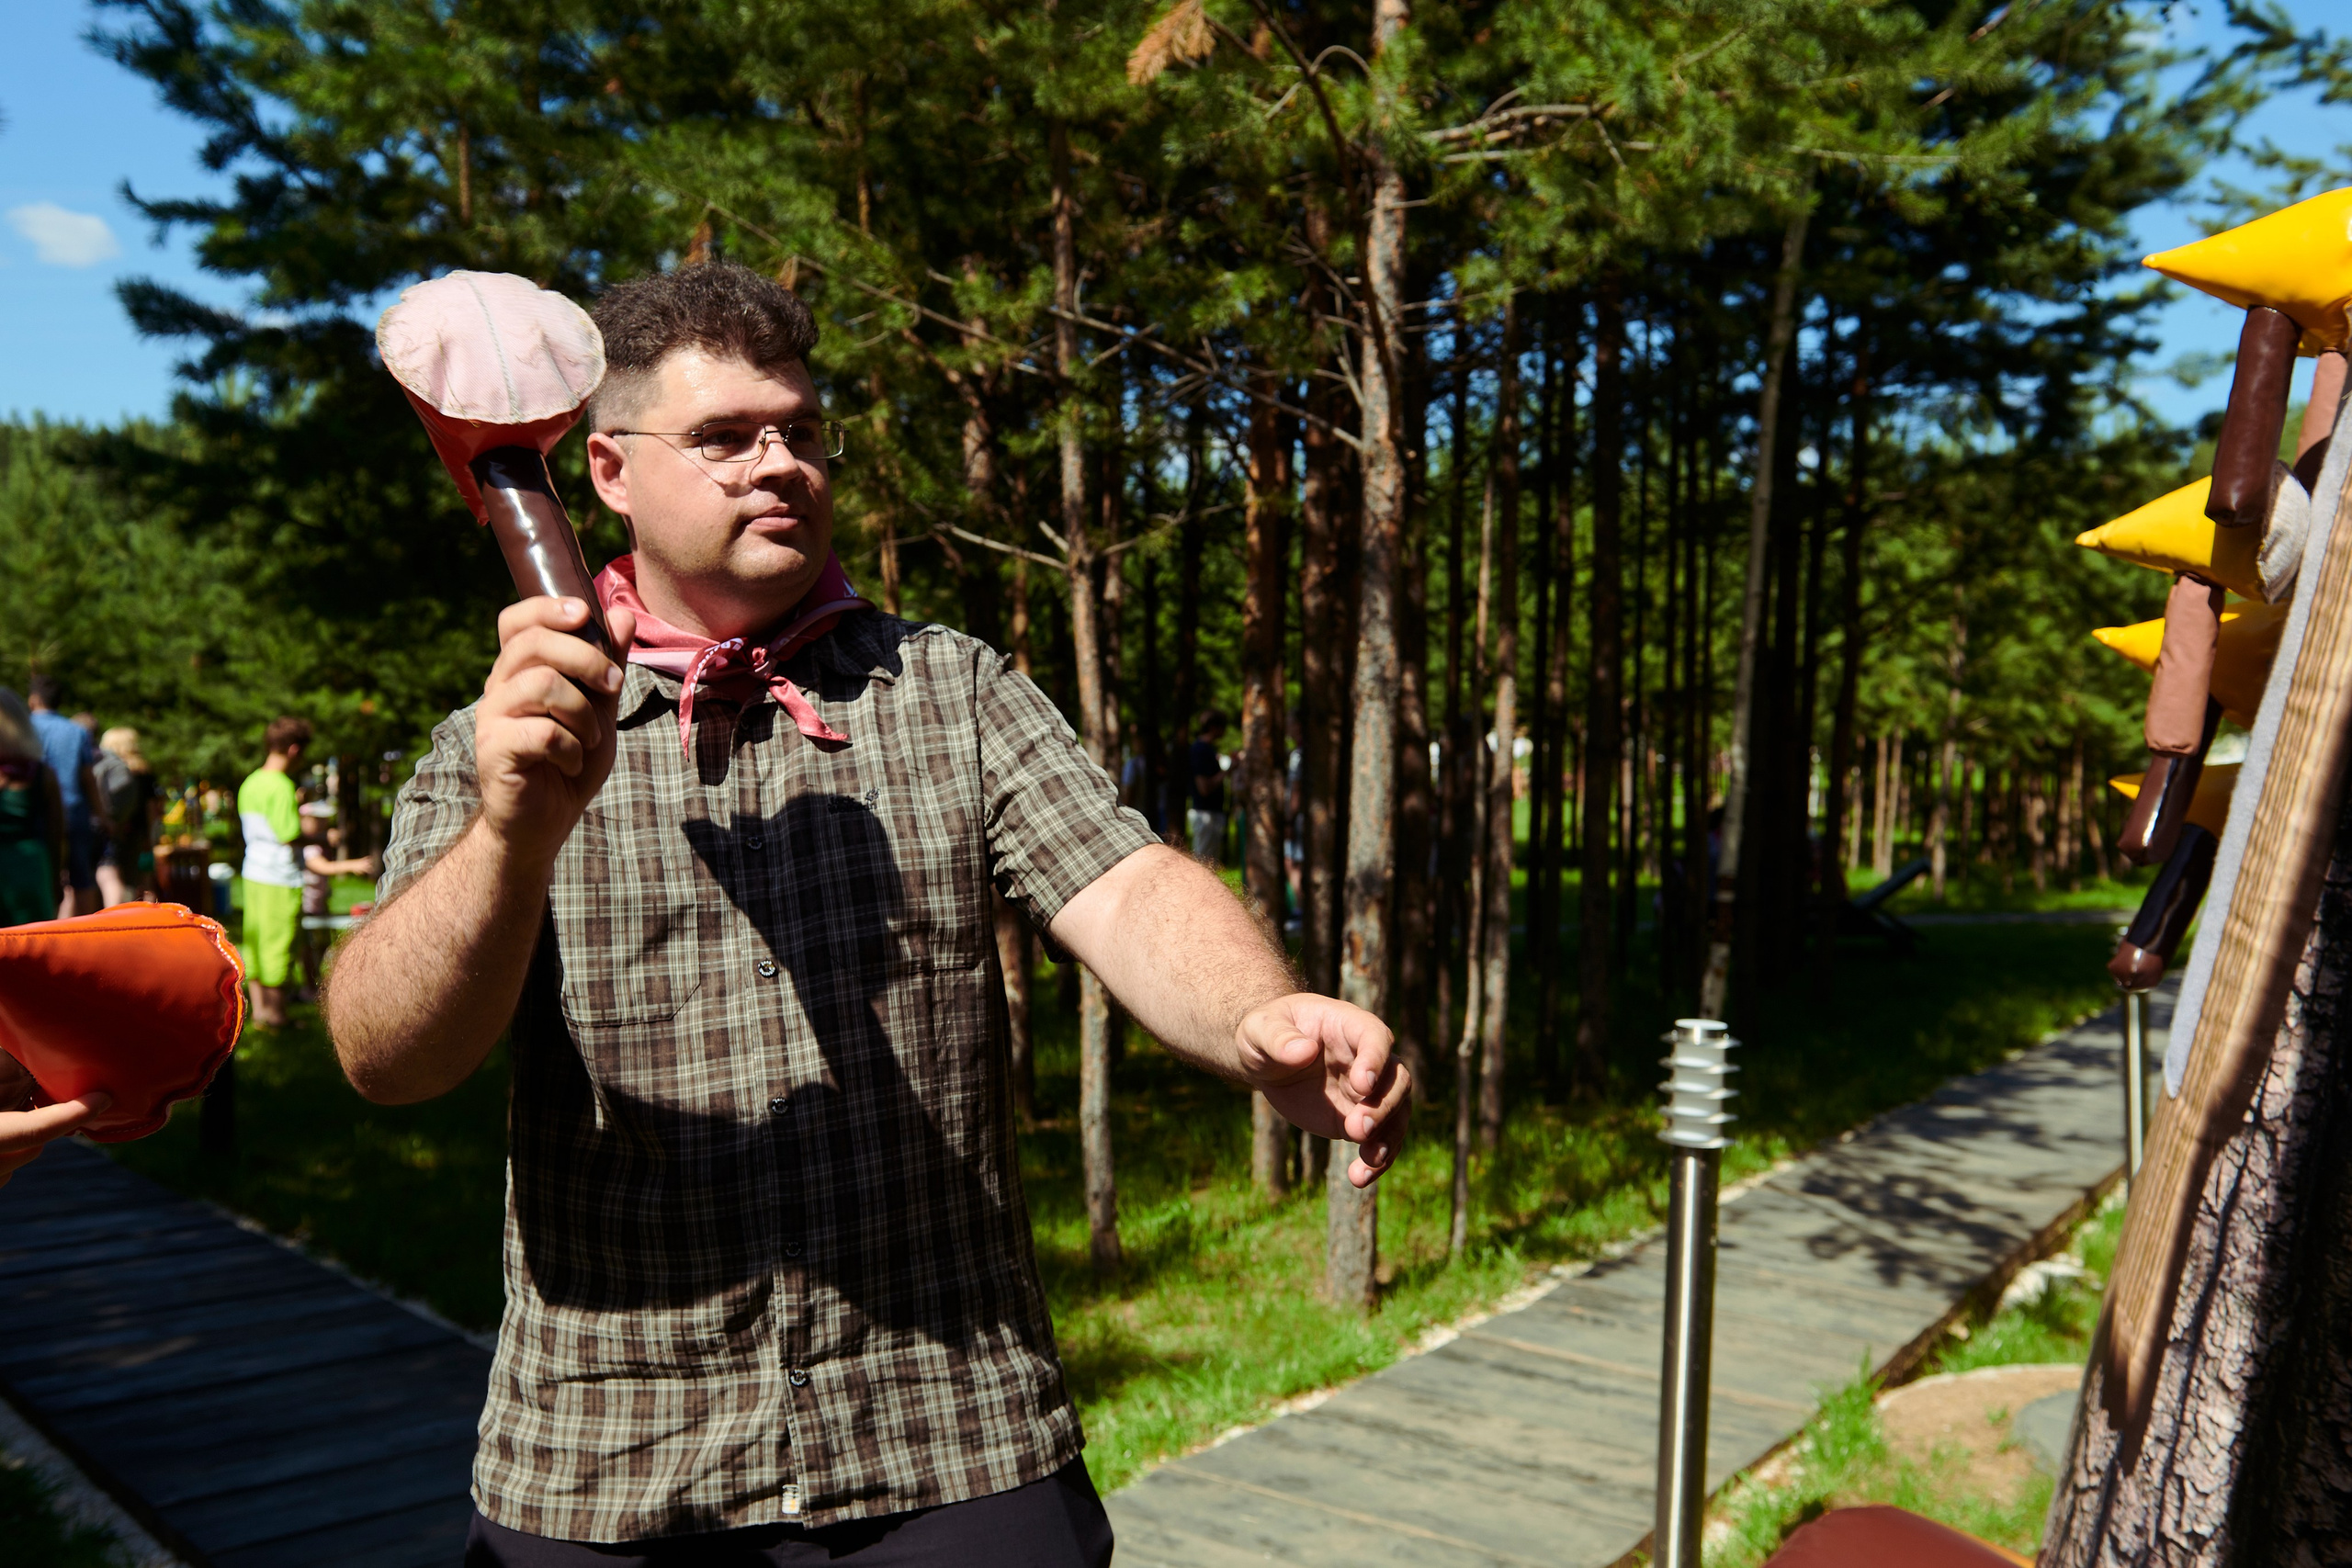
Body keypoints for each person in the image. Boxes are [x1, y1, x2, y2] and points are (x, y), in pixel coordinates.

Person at [322, 263, 1408, 1566]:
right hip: (615, 1465)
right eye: (724, 437)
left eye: (801, 431)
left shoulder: (949, 692)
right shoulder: (500, 742)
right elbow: (387, 1058)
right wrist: (511, 836)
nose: (780, 465)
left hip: (951, 1438)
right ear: (607, 470)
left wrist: (1255, 1015)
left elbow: (1123, 883)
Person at [238, 716, 311, 1028]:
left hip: (253, 871)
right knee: (280, 942)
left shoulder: (251, 782)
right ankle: (278, 1016)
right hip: (279, 876)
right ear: (294, 749)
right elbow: (289, 834)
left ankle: (259, 1013)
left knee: (255, 941)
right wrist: (324, 837)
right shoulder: (281, 786)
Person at [25, 677, 107, 919]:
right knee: (81, 878)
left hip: (35, 814)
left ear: (33, 699)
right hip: (74, 812)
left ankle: (40, 930)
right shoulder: (76, 731)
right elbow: (88, 778)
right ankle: (85, 932)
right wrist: (102, 815)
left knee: (39, 875)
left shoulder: (22, 728)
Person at [295, 800, 376, 995]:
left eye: (325, 820)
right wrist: (351, 865)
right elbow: (320, 866)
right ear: (304, 820)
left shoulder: (317, 842)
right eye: (318, 819)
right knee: (308, 949)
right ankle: (308, 987)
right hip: (305, 905)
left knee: (321, 945)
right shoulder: (307, 845)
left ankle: (316, 984)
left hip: (318, 903)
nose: (323, 824)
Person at [0, 689, 65, 929]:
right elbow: (56, 835)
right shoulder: (41, 774)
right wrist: (55, 881)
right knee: (31, 946)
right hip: (29, 870)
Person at [94, 726, 159, 907]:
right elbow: (151, 809)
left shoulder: (104, 771)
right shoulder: (144, 773)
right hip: (138, 833)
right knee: (141, 881)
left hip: (112, 831)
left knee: (110, 877)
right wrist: (151, 836)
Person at [1187, 710, 1229, 866]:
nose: (1225, 731)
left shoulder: (1207, 750)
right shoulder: (1201, 750)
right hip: (1206, 815)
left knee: (1210, 864)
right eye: (1222, 726)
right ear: (1213, 727)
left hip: (1210, 814)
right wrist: (1227, 772)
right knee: (1203, 865)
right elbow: (1204, 788)